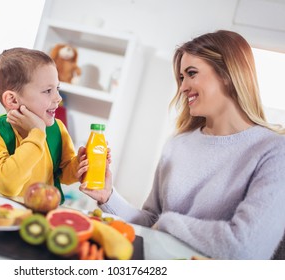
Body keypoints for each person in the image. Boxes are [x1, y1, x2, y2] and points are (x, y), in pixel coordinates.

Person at [77, 30, 285, 260]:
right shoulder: (177, 144)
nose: (183, 87)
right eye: (181, 78)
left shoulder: (274, 151)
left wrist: (169, 222)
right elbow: (151, 221)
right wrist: (107, 196)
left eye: (191, 74)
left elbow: (245, 248)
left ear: (228, 73)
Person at [0, 47, 80, 199]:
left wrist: (80, 165)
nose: (58, 98)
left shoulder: (58, 129)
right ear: (13, 100)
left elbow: (64, 174)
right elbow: (8, 185)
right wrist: (37, 134)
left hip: (39, 215)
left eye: (57, 88)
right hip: (0, 212)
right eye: (47, 91)